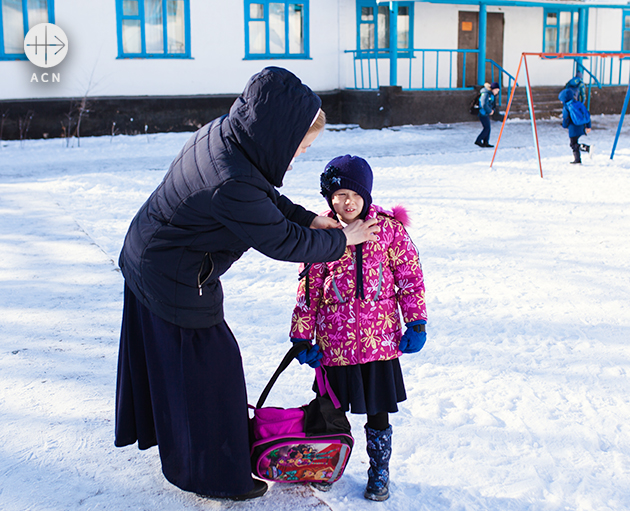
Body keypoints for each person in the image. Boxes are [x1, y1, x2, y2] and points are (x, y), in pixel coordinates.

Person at [114, 67, 379, 501]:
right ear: (277, 132)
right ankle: (216, 473)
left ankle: (179, 443)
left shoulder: (228, 137)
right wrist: (339, 238)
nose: (298, 157)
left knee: (180, 367)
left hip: (151, 257)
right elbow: (279, 239)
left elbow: (266, 198)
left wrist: (310, 218)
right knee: (212, 373)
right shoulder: (231, 180)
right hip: (172, 275)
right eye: (301, 147)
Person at [289, 155, 427, 502]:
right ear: (329, 198)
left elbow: (409, 278)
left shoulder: (389, 229)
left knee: (378, 412)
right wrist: (302, 334)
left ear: (366, 195)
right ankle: (327, 465)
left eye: (354, 194)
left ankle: (379, 471)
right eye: (339, 195)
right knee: (329, 411)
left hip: (379, 340)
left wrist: (416, 320)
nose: (347, 202)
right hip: (334, 344)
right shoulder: (322, 232)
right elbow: (309, 289)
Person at [559, 83, 592, 164]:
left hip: (573, 128)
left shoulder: (566, 107)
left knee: (573, 144)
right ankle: (577, 159)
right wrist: (588, 126)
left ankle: (586, 148)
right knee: (575, 143)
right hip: (581, 126)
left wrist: (564, 125)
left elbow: (566, 118)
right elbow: (586, 114)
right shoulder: (579, 103)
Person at [474, 81, 500, 148]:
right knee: (487, 128)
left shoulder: (491, 94)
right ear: (493, 89)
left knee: (488, 127)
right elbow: (483, 104)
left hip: (485, 113)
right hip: (482, 112)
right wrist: (489, 111)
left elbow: (492, 103)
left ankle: (486, 142)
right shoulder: (486, 93)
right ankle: (478, 140)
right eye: (496, 90)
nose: (497, 92)